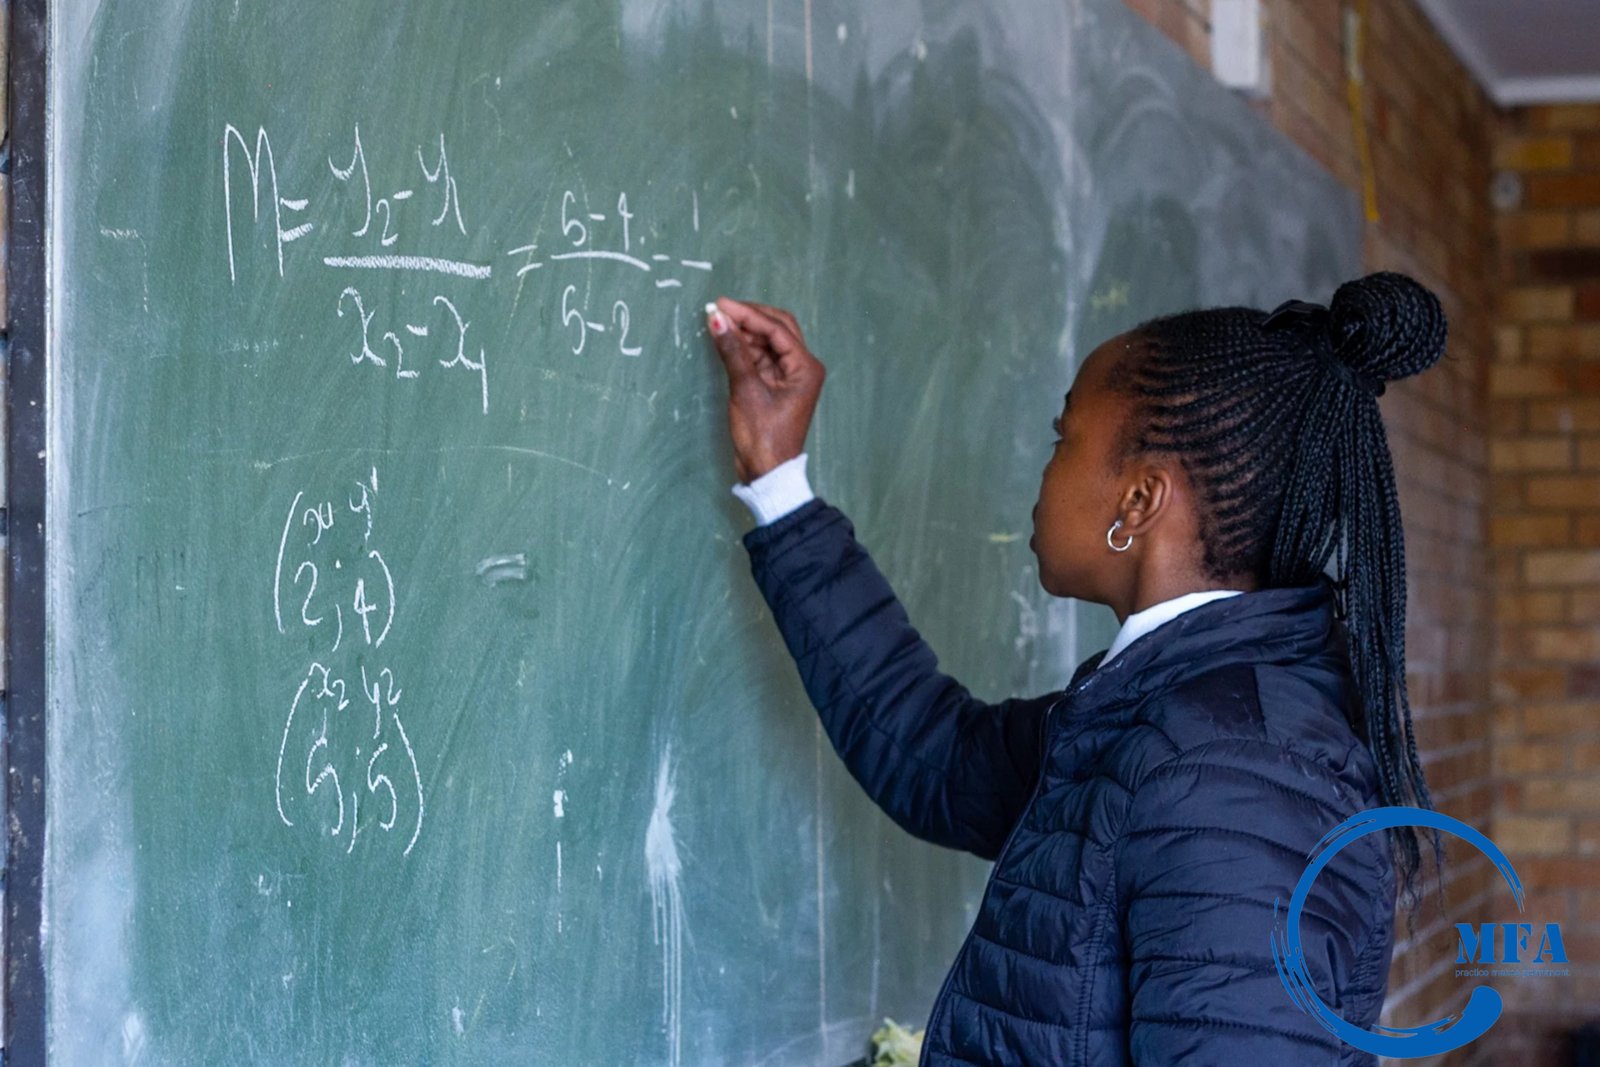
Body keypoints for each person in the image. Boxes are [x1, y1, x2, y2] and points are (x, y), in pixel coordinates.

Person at [702, 271, 1450, 1066]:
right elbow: (937, 757)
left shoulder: (1238, 769)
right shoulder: (1166, 711)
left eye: (1064, 438)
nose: (1046, 470)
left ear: (1138, 502)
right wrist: (779, 481)